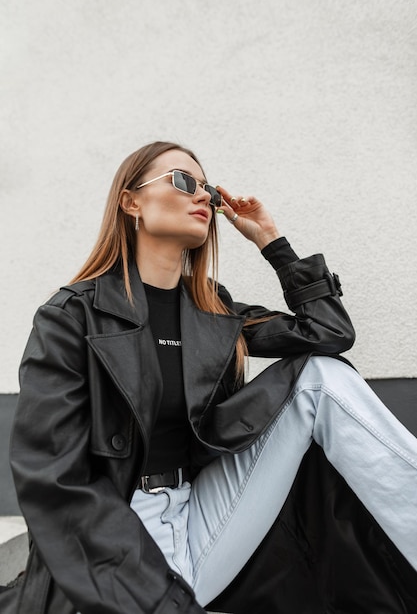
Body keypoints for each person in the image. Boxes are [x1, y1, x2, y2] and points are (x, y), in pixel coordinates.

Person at [3, 141, 417, 614]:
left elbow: (328, 334)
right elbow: (51, 476)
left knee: (320, 377)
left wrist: (271, 242)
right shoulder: (72, 316)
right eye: (183, 181)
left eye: (207, 189)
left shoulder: (211, 309)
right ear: (131, 201)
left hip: (202, 515)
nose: (202, 195)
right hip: (116, 535)